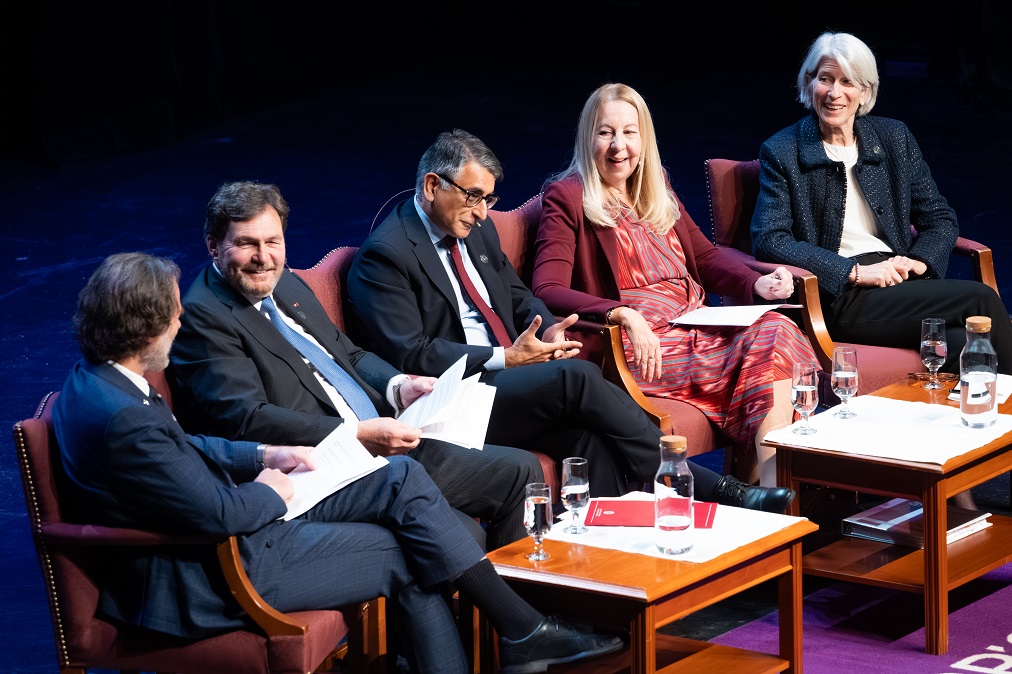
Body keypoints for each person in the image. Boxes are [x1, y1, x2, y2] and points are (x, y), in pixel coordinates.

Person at [53, 252, 624, 674]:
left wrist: (261, 454)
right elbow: (217, 512)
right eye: (173, 317)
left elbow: (187, 448)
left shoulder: (101, 382)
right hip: (220, 568)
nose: (180, 323)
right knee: (411, 548)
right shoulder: (122, 413)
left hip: (235, 524)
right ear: (146, 327)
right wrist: (272, 491)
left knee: (400, 479)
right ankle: (519, 633)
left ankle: (519, 633)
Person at [345, 128, 795, 510]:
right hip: (450, 399)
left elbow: (519, 295)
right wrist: (506, 356)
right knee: (575, 380)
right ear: (431, 185)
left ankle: (598, 570)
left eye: (488, 198)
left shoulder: (473, 227)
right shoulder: (387, 256)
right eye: (474, 197)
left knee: (590, 441)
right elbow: (413, 352)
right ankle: (716, 489)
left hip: (508, 380)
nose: (484, 212)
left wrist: (547, 328)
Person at [170, 181, 542, 551]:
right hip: (325, 461)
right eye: (247, 243)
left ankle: (537, 595)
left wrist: (398, 385)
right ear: (213, 246)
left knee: (522, 470)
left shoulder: (286, 282)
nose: (264, 257)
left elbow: (349, 354)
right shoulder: (204, 315)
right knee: (468, 527)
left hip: (383, 437)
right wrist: (358, 433)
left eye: (273, 242)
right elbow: (248, 419)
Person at [532, 84, 817, 488]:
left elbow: (703, 257)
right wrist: (622, 312)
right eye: (605, 132)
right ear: (587, 138)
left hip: (692, 325)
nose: (619, 147)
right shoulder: (568, 196)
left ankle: (769, 487)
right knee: (772, 340)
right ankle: (771, 491)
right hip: (635, 345)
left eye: (630, 133)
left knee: (777, 329)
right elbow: (547, 286)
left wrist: (758, 283)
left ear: (644, 138)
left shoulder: (655, 184)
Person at [750, 31, 1012, 375]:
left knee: (966, 342)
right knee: (981, 300)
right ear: (808, 82)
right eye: (825, 79)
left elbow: (939, 218)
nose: (834, 93)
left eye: (847, 82)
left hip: (900, 285)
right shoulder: (782, 150)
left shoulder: (892, 138)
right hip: (841, 294)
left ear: (865, 91)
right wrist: (854, 272)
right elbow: (770, 238)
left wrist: (919, 261)